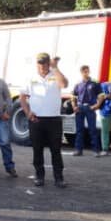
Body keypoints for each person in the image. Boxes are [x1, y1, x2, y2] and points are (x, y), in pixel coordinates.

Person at [20, 53, 69, 187]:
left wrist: (56, 68)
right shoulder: (30, 78)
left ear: (49, 63)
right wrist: (27, 112)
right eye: (40, 63)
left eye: (45, 63)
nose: (42, 66)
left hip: (53, 119)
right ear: (36, 64)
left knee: (56, 150)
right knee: (37, 149)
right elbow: (22, 97)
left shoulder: (55, 74)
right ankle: (39, 176)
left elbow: (64, 84)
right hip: (36, 119)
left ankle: (59, 178)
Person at [70, 65, 102, 156]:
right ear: (81, 72)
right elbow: (73, 96)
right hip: (79, 108)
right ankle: (78, 150)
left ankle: (96, 151)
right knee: (79, 130)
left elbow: (101, 95)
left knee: (92, 129)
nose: (86, 73)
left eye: (87, 71)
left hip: (90, 108)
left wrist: (97, 105)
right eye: (84, 71)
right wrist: (74, 106)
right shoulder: (78, 83)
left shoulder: (95, 82)